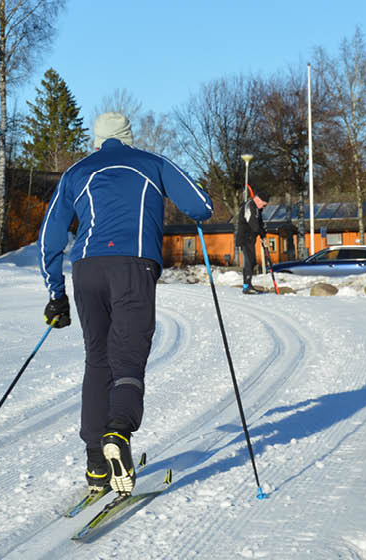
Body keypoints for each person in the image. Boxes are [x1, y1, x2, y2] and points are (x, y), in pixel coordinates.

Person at [38, 111, 213, 497]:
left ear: (97, 141)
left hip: (86, 270)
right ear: (128, 138)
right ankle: (118, 431)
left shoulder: (77, 173)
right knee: (128, 358)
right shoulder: (152, 164)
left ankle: (96, 463)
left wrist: (56, 295)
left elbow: (49, 238)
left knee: (97, 358)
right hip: (133, 267)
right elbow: (201, 205)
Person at [234, 190, 268, 294]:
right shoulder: (249, 206)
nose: (263, 207)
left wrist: (263, 235)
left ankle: (248, 284)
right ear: (258, 200)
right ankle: (246, 286)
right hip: (245, 238)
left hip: (251, 238)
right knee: (249, 261)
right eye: (263, 204)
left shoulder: (257, 208)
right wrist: (260, 232)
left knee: (252, 261)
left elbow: (260, 223)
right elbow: (253, 224)